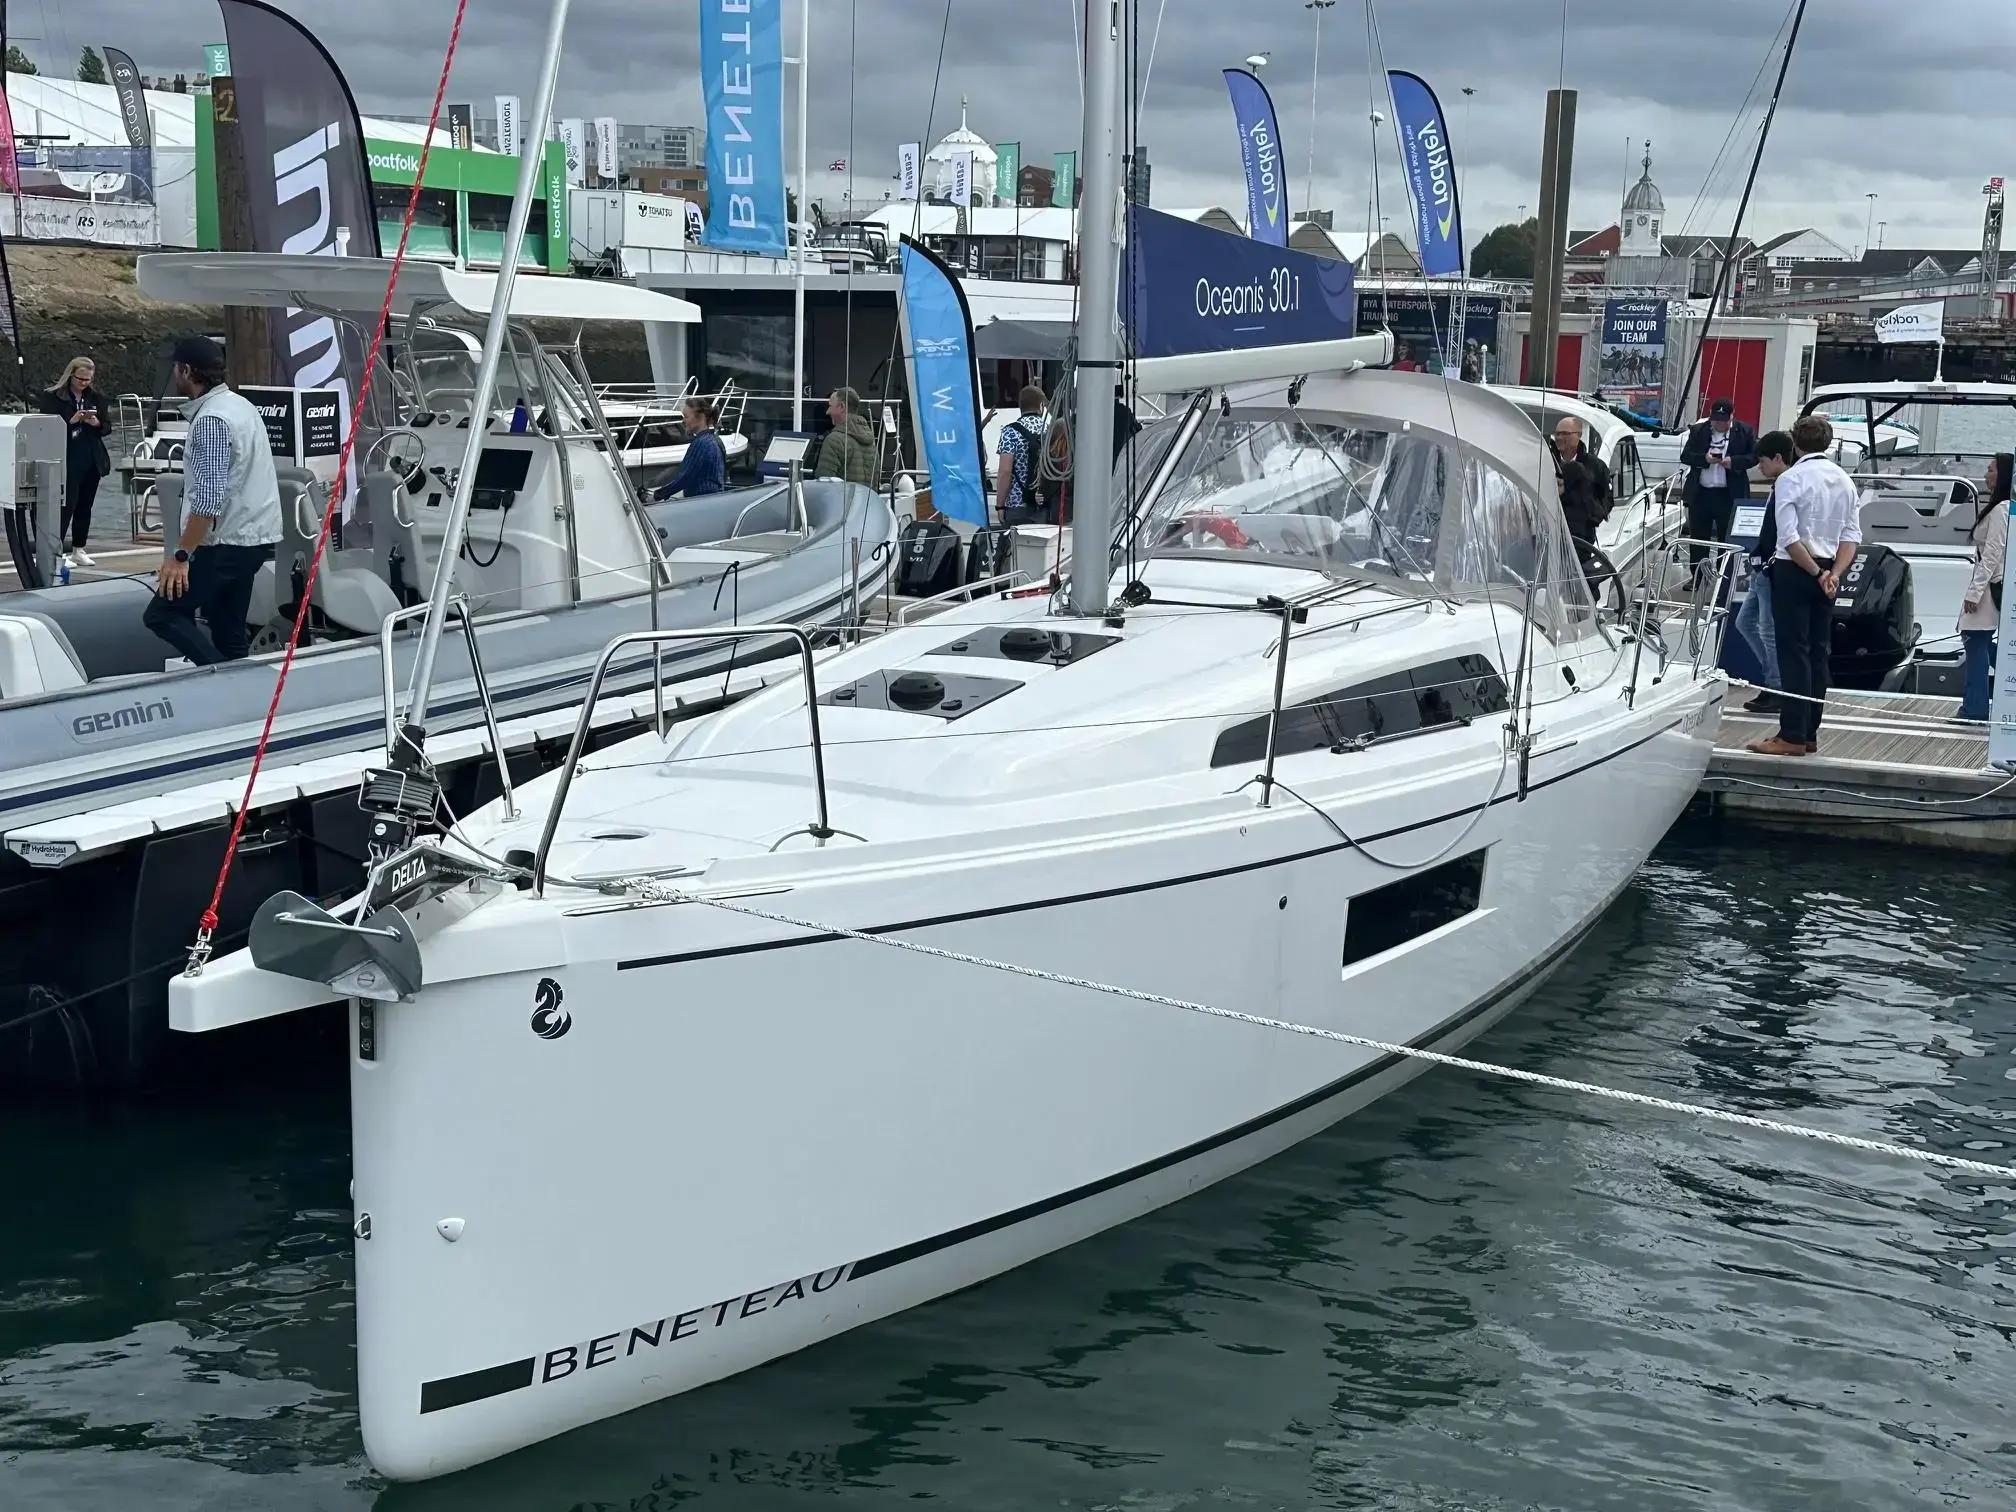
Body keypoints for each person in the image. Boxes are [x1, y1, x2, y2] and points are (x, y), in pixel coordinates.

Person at [142, 337, 281, 666]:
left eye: (176, 367)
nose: (174, 373)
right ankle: (239, 686)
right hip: (253, 538)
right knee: (227, 630)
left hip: (225, 544)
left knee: (163, 614)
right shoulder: (241, 406)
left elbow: (207, 501)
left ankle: (218, 676)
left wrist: (180, 557)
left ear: (186, 370)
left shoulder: (210, 421)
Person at [1747, 414, 1860, 757]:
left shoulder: (1791, 478)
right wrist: (1833, 574)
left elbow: (1788, 537)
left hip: (1796, 569)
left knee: (1793, 652)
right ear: (1828, 443)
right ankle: (1809, 732)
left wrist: (1815, 573)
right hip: (1830, 570)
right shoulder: (1844, 480)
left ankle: (1792, 734)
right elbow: (1851, 536)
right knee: (1817, 652)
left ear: (1795, 444)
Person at [1735, 429, 1795, 715]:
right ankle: (1774, 679)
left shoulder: (1787, 484)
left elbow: (1780, 528)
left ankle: (1777, 686)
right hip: (1764, 565)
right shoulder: (1779, 484)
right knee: (1745, 623)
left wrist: (1766, 559)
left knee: (1767, 629)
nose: (1759, 468)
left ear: (1778, 458)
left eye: (1762, 462)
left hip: (1771, 566)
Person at [37, 356, 110, 568]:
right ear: (71, 375)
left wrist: (96, 422)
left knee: (85, 506)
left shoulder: (96, 397)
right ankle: (56, 549)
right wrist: (72, 421)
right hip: (66, 456)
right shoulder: (53, 397)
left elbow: (107, 427)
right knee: (65, 505)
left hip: (91, 457)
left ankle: (79, 548)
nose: (84, 383)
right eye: (80, 379)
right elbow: (46, 427)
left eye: (88, 379)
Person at [1958, 450, 2010, 723]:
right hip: (1991, 583)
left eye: (1991, 469)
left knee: (1975, 639)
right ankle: (1975, 705)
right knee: (1979, 641)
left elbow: (1992, 553)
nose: (1986, 474)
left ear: (2003, 475)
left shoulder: (2001, 509)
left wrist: (1975, 592)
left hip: (1990, 586)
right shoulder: (2001, 506)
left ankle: (1974, 708)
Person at [1679, 398, 1757, 576]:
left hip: (1729, 494)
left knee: (1727, 539)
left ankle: (1725, 577)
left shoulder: (1744, 431)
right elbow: (1686, 456)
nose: (1719, 424)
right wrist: (1704, 459)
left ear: (1732, 416)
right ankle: (1698, 576)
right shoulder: (1699, 430)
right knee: (1698, 539)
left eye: (1723, 421)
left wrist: (1734, 462)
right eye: (1716, 420)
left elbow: (1754, 457)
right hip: (1702, 494)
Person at [1550, 415, 1614, 547]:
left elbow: (1607, 500)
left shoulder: (1596, 466)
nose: (1559, 437)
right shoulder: (1546, 461)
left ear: (1578, 435)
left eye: (1565, 433)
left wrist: (1591, 518)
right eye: (1557, 434)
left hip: (1582, 538)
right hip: (1550, 535)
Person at [651, 397, 727, 499]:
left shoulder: (701, 443)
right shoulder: (715, 440)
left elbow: (685, 477)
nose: (683, 421)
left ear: (700, 417)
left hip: (701, 500)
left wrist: (657, 496)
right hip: (713, 498)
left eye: (686, 417)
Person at [996, 383, 1050, 525]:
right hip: (1044, 505)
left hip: (1017, 505)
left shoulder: (1010, 432)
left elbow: (1005, 471)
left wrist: (1000, 505)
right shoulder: (1050, 431)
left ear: (1021, 406)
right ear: (1041, 406)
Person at [814, 386, 878, 486]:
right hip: (865, 496)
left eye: (830, 406)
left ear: (842, 407)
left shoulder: (834, 440)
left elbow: (823, 484)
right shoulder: (870, 440)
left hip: (840, 496)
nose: (827, 412)